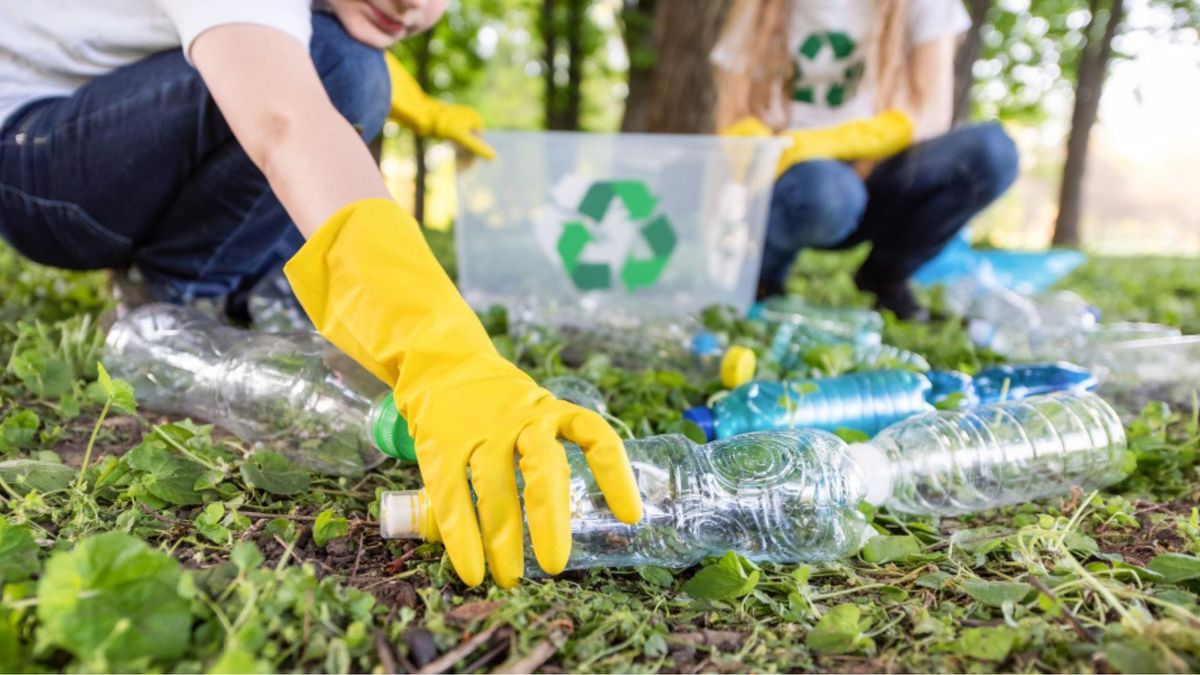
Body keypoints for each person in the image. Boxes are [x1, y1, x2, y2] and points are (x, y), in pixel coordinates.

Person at [0, 0, 643, 588]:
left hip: (96, 130)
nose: (416, 5)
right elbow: (285, 117)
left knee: (348, 65)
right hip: (34, 165)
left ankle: (230, 277)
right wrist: (441, 354)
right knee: (341, 67)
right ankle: (178, 296)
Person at [713, 0, 1020, 320]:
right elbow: (734, 111)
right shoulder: (762, 7)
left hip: (885, 173)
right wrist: (762, 148)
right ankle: (764, 276)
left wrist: (819, 143)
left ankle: (885, 275)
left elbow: (930, 113)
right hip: (801, 184)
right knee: (826, 191)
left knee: (991, 152)